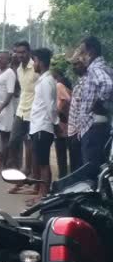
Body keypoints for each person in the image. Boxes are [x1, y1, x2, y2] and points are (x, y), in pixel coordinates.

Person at [74, 36, 113, 178]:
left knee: (90, 167)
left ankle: (92, 199)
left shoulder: (94, 69)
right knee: (99, 167)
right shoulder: (105, 67)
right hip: (100, 123)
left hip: (92, 125)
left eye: (82, 52)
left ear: (91, 51)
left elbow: (108, 85)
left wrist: (99, 102)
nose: (80, 57)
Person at [28, 48, 58, 203]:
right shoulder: (43, 80)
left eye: (34, 61)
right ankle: (42, 192)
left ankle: (43, 195)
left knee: (44, 163)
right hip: (38, 126)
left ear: (40, 61)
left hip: (43, 127)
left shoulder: (47, 81)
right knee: (41, 161)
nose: (33, 64)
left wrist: (56, 124)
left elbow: (51, 106)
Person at [8, 41, 39, 194]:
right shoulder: (18, 69)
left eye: (23, 52)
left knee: (32, 148)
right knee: (13, 143)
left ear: (29, 52)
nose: (20, 55)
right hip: (21, 111)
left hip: (35, 113)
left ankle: (32, 180)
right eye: (17, 52)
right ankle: (20, 177)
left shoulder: (36, 67)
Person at [67, 54, 87, 174]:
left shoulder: (87, 83)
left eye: (77, 64)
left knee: (79, 166)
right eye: (73, 65)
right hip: (73, 131)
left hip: (80, 132)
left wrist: (79, 131)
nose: (74, 67)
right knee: (75, 165)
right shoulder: (79, 82)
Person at [52, 66, 72, 179]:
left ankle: (63, 175)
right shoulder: (65, 84)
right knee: (67, 150)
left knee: (61, 150)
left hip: (63, 121)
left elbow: (65, 99)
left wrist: (57, 112)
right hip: (68, 121)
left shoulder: (59, 85)